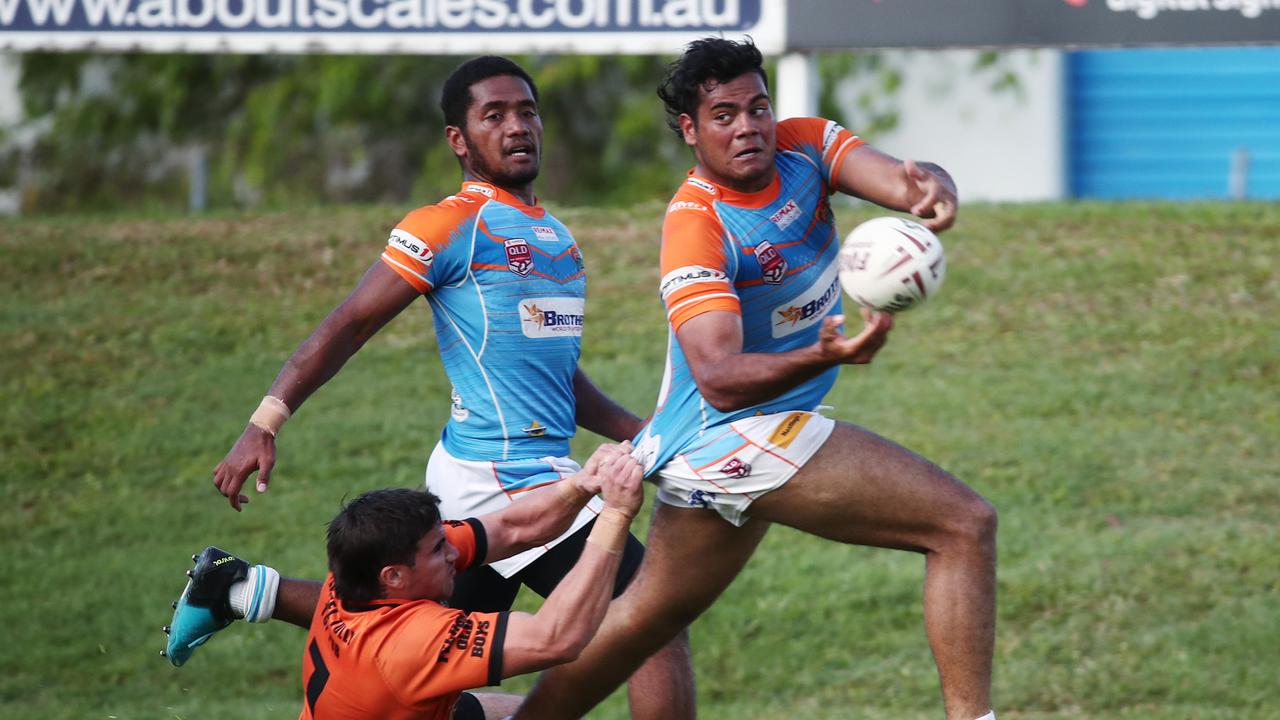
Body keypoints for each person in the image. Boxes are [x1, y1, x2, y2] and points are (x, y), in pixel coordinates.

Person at [514, 38, 998, 720]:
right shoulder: (697, 224)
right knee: (962, 526)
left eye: (757, 108)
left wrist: (932, 189)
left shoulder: (806, 146)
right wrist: (821, 355)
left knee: (637, 624)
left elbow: (900, 179)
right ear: (690, 128)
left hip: (703, 448)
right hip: (731, 430)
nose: (748, 127)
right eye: (724, 115)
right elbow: (718, 378)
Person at [200, 56, 692, 717]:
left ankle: (238, 589)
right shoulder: (447, 226)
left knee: (414, 649)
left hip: (528, 472)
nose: (517, 126)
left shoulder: (558, 240)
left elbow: (554, 380)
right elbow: (350, 324)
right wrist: (266, 419)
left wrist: (648, 436)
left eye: (526, 111)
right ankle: (237, 590)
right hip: (501, 475)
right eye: (494, 115)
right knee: (650, 618)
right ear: (458, 140)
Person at [165, 442, 646, 719]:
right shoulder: (415, 641)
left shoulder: (357, 577)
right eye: (439, 551)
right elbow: (555, 638)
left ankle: (236, 590)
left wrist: (580, 484)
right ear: (394, 576)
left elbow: (511, 528)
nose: (453, 554)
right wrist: (616, 515)